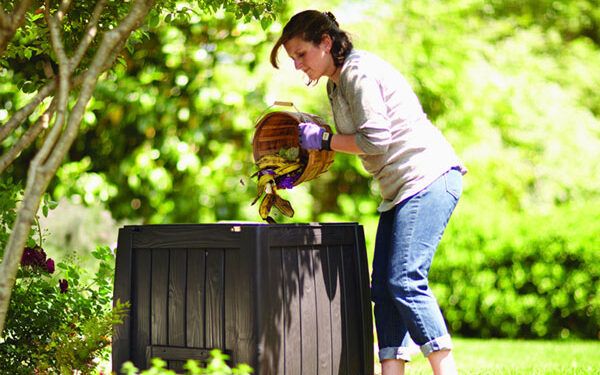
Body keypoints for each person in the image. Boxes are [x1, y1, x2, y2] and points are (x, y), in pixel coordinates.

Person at [270, 9, 467, 375]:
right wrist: (319, 139)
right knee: (383, 288)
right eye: (293, 57)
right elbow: (356, 137)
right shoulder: (336, 83)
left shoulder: (358, 73)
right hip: (399, 188)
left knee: (404, 280)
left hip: (426, 177)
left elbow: (375, 140)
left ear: (325, 43)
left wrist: (325, 140)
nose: (298, 65)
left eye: (301, 54)